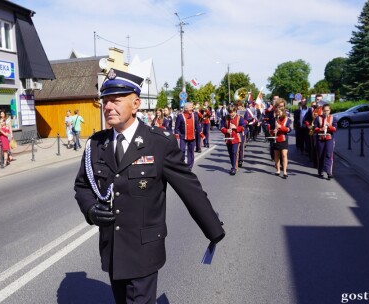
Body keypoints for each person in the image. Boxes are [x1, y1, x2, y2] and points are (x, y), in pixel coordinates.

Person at [74, 68, 225, 304]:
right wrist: (91, 210)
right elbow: (82, 186)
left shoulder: (159, 142)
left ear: (135, 105)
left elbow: (189, 187)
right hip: (113, 249)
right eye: (105, 101)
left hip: (144, 250)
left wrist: (213, 229)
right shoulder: (96, 144)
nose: (108, 107)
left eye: (116, 100)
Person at [174, 102, 202, 170]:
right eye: (191, 107)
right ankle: (182, 163)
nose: (192, 108)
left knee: (191, 152)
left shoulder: (194, 115)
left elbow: (197, 125)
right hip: (183, 136)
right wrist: (176, 134)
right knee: (182, 150)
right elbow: (176, 127)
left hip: (192, 137)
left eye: (192, 107)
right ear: (186, 108)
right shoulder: (180, 116)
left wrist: (200, 133)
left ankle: (189, 166)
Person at [220, 104, 246, 175]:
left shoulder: (239, 118)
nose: (231, 114)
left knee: (235, 152)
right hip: (228, 138)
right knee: (230, 153)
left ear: (235, 111)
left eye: (232, 112)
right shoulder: (225, 118)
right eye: (229, 112)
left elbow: (243, 127)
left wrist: (236, 127)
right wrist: (226, 130)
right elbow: (221, 127)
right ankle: (233, 165)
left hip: (236, 138)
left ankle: (233, 168)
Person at [314, 104, 337, 180]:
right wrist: (321, 129)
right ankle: (320, 171)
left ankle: (329, 172)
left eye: (327, 110)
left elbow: (334, 129)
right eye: (324, 111)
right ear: (322, 111)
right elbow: (315, 128)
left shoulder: (333, 118)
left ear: (330, 111)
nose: (326, 112)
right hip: (320, 139)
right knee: (320, 156)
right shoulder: (318, 118)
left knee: (329, 155)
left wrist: (329, 125)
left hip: (329, 139)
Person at [272, 107, 292, 179]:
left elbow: (289, 129)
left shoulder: (288, 120)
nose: (278, 113)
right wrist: (273, 131)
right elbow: (270, 129)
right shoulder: (275, 120)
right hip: (276, 138)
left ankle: (285, 171)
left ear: (283, 112)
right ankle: (278, 170)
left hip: (284, 139)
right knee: (276, 155)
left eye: (279, 112)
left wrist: (280, 127)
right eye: (277, 112)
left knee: (284, 155)